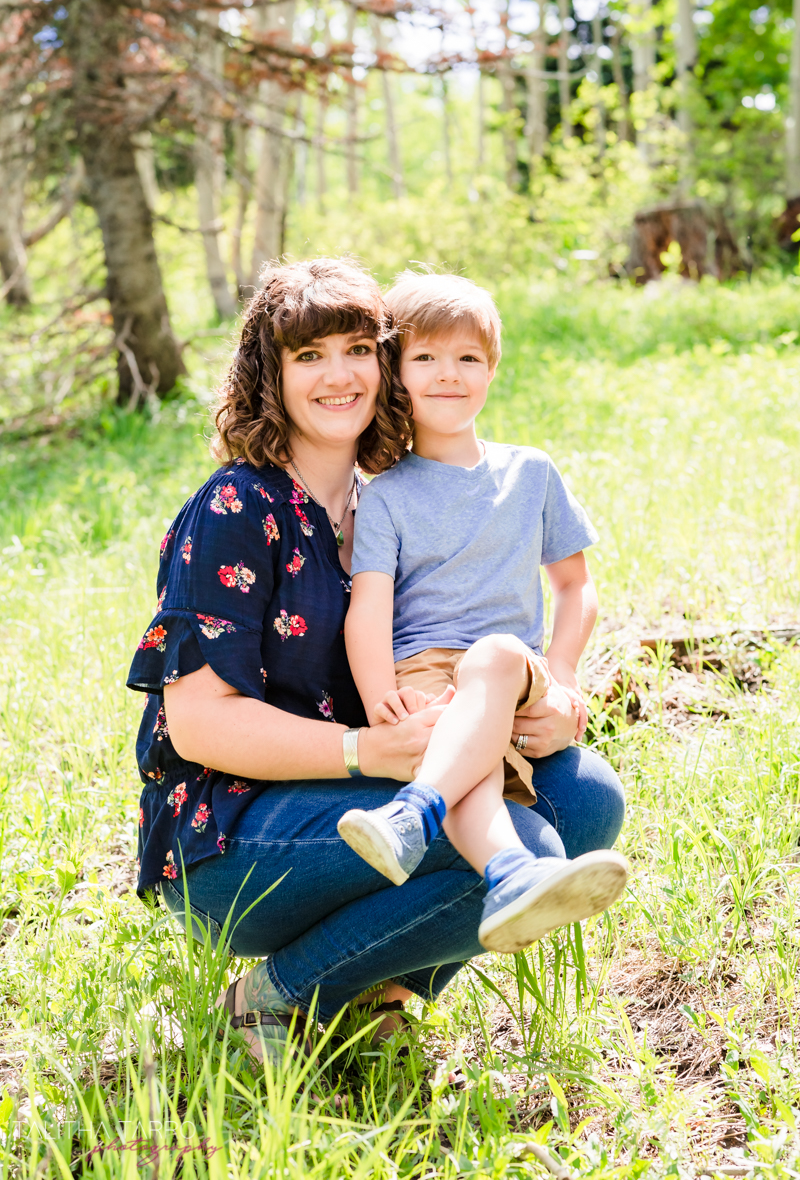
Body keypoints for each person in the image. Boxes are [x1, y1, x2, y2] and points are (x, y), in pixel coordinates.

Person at [126, 257, 625, 1067]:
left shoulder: (382, 502)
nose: (340, 375)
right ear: (270, 375)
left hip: (359, 793)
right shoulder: (236, 507)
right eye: (309, 355)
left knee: (586, 799)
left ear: (385, 362)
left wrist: (540, 703)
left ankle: (377, 997)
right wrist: (368, 750)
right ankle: (272, 997)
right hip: (231, 838)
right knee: (525, 846)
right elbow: (199, 726)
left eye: (358, 349)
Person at [340, 271, 628, 954]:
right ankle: (511, 873)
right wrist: (382, 699)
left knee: (494, 654)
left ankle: (412, 813)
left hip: (509, 670)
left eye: (468, 357)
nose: (449, 373)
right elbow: (368, 610)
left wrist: (563, 672)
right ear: (395, 374)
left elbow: (574, 586)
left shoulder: (530, 473)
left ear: (492, 370)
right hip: (422, 671)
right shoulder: (383, 496)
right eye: (426, 357)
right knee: (465, 763)